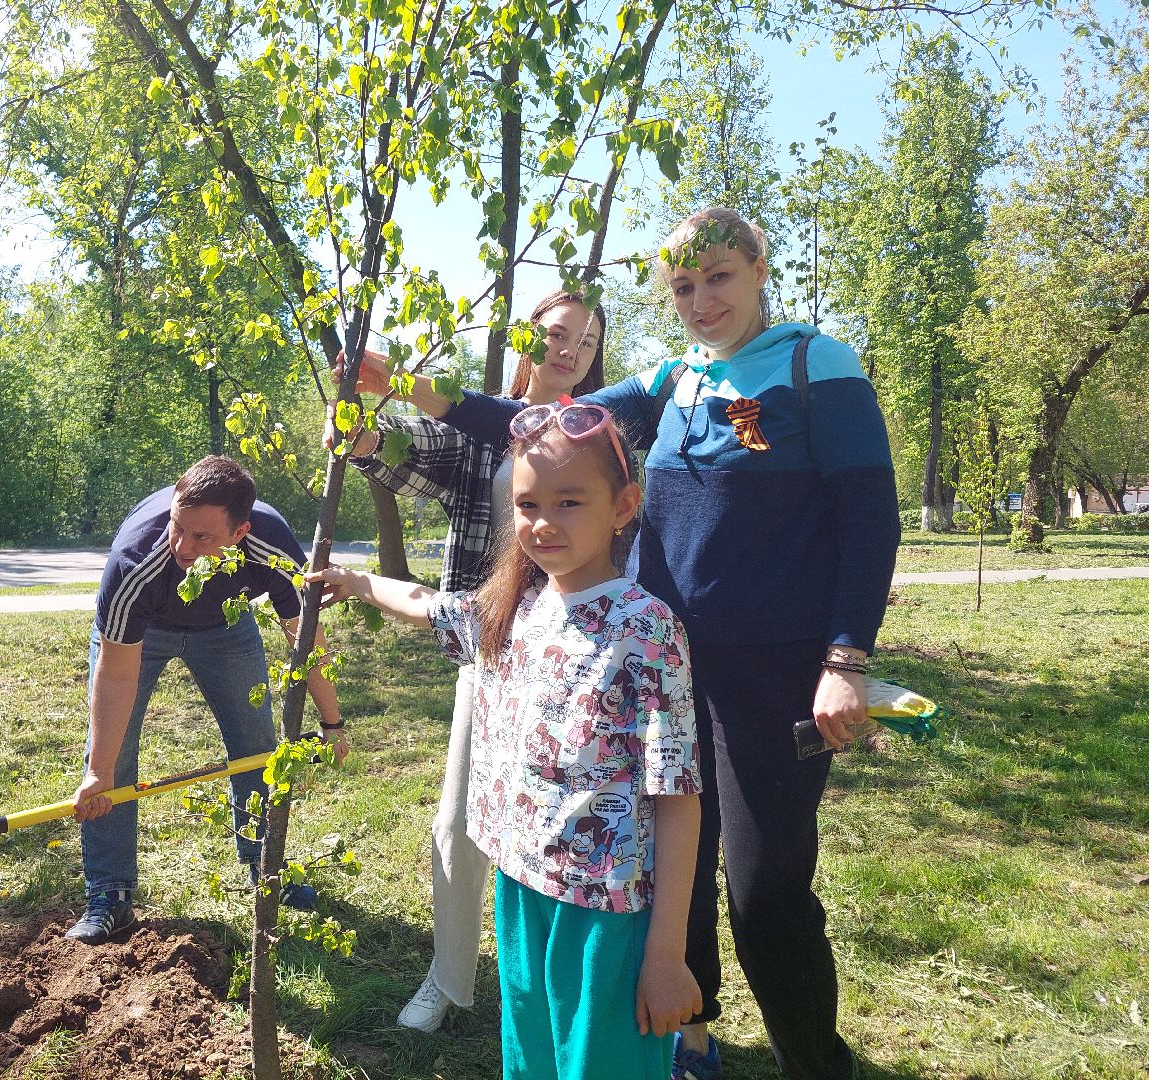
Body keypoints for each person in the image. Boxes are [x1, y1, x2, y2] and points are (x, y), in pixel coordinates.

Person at [347, 207, 900, 1080]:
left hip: (770, 681)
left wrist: (845, 660)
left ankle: (813, 1059)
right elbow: (544, 428)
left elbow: (871, 517)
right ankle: (693, 1040)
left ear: (759, 267)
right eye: (683, 286)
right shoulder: (673, 378)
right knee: (665, 872)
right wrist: (409, 384)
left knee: (762, 892)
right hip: (653, 676)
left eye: (719, 276)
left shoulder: (813, 365)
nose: (701, 300)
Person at [309, 403, 702, 1080]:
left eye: (569, 502)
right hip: (520, 889)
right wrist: (359, 582)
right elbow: (428, 604)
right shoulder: (510, 612)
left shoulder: (649, 631)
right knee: (533, 1064)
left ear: (623, 506)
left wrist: (665, 955)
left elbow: (677, 797)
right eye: (527, 504)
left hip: (601, 912)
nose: (543, 523)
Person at [326, 290, 607, 1032]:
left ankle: (559, 981)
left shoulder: (606, 434)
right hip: (490, 649)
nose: (568, 349)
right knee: (457, 823)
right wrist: (358, 433)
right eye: (554, 333)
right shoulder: (484, 432)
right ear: (526, 344)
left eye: (585, 339)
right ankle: (448, 981)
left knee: (567, 824)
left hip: (584, 661)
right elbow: (405, 455)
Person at [64, 455, 346, 945]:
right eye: (177, 526)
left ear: (239, 533)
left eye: (202, 537)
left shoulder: (271, 550)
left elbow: (306, 642)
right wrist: (99, 773)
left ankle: (265, 866)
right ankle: (110, 891)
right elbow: (115, 678)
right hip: (144, 633)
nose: (181, 546)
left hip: (225, 628)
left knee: (256, 743)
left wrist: (333, 722)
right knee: (113, 752)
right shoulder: (137, 562)